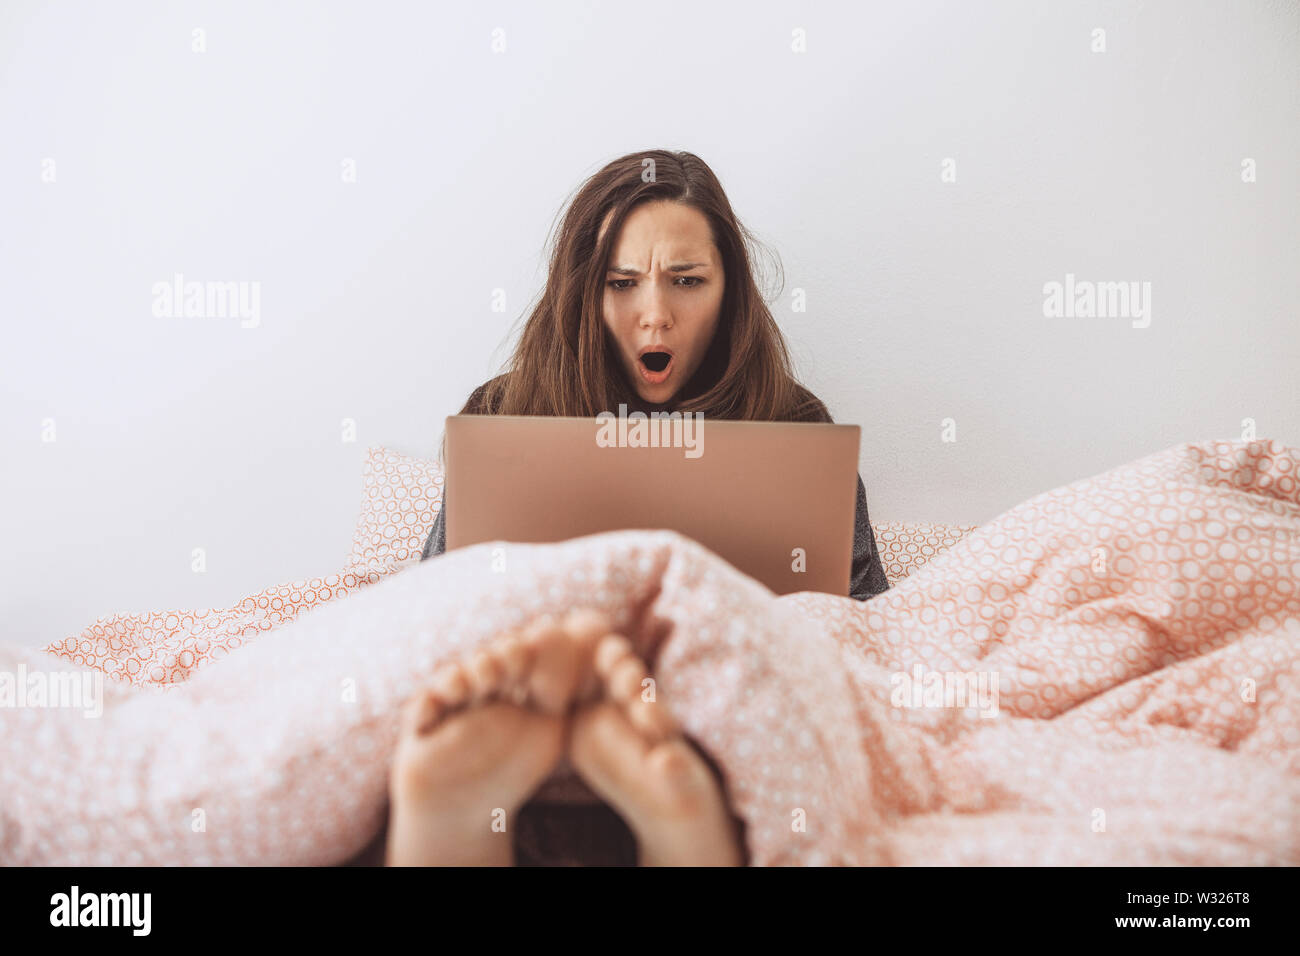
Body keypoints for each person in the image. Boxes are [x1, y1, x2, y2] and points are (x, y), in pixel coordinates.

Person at [394, 149, 890, 865]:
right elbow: (434, 599)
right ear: (581, 292)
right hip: (533, 716)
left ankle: (668, 797)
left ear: (731, 292)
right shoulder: (506, 415)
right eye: (621, 283)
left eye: (686, 281)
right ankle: (513, 788)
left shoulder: (794, 426)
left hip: (725, 721)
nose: (653, 317)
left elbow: (869, 625)